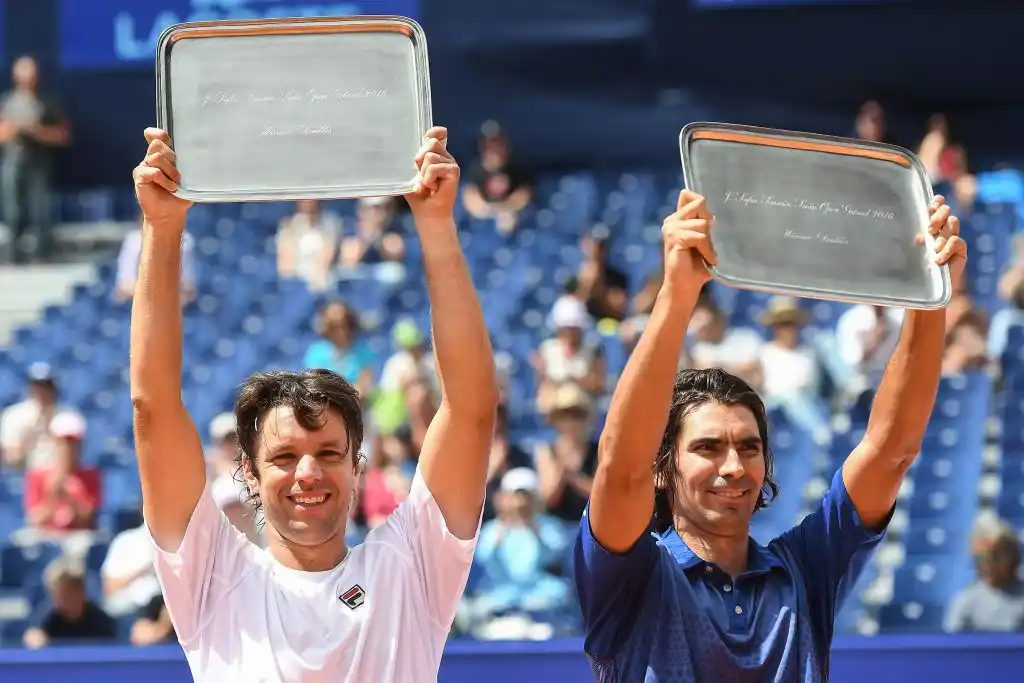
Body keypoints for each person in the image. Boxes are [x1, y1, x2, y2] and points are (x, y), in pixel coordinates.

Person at [130, 126, 498, 682]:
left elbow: (471, 408)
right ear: (248, 474)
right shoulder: (211, 573)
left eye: (329, 453)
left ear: (357, 467)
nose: (308, 472)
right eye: (283, 457)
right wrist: (161, 228)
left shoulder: (411, 567)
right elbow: (152, 407)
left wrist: (436, 224)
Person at [574, 190, 967, 682]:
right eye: (707, 447)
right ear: (661, 467)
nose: (734, 466)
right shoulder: (629, 576)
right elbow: (620, 465)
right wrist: (677, 293)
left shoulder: (806, 569)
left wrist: (929, 297)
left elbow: (891, 451)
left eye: (749, 447)